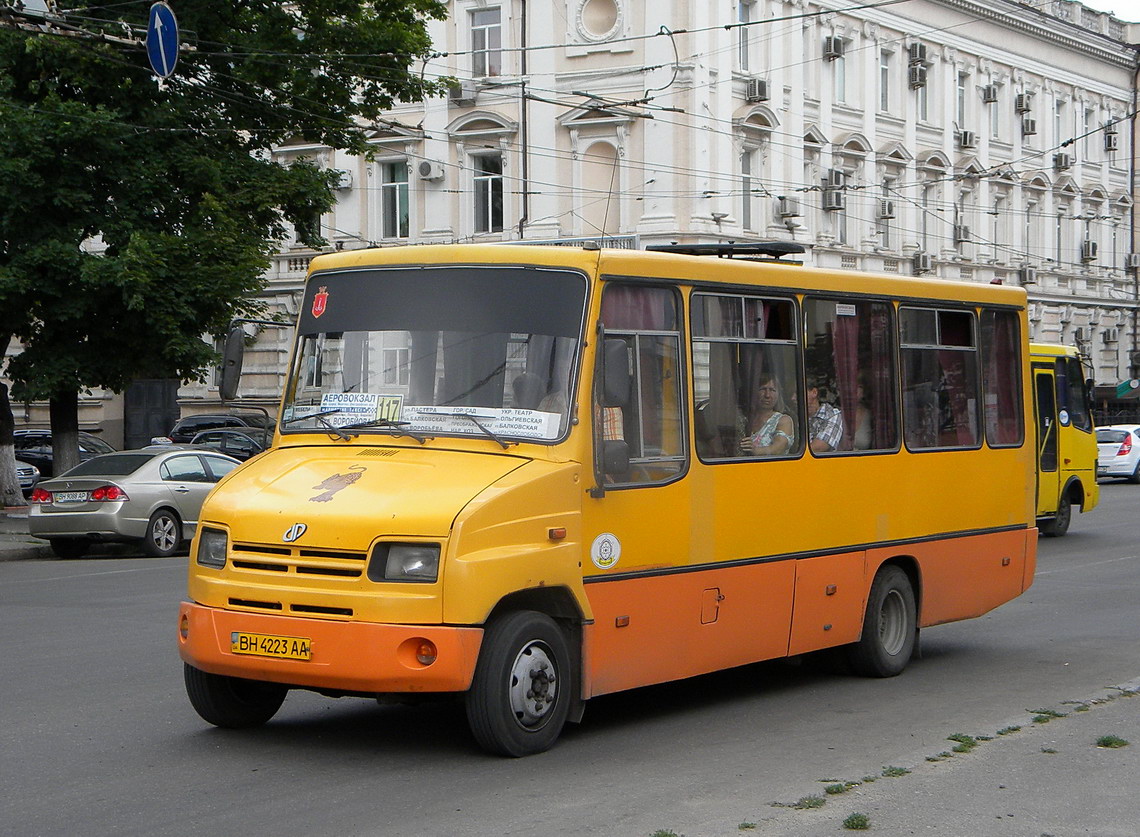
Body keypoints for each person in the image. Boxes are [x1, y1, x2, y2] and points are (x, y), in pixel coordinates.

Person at [740, 374, 795, 455]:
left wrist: (756, 450)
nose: (767, 395)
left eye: (772, 390)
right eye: (763, 389)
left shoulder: (784, 421)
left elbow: (778, 449)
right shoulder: (745, 419)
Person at [807, 377, 844, 453]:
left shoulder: (832, 415)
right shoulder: (794, 416)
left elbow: (819, 447)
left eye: (797, 393)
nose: (793, 398)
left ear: (814, 392)